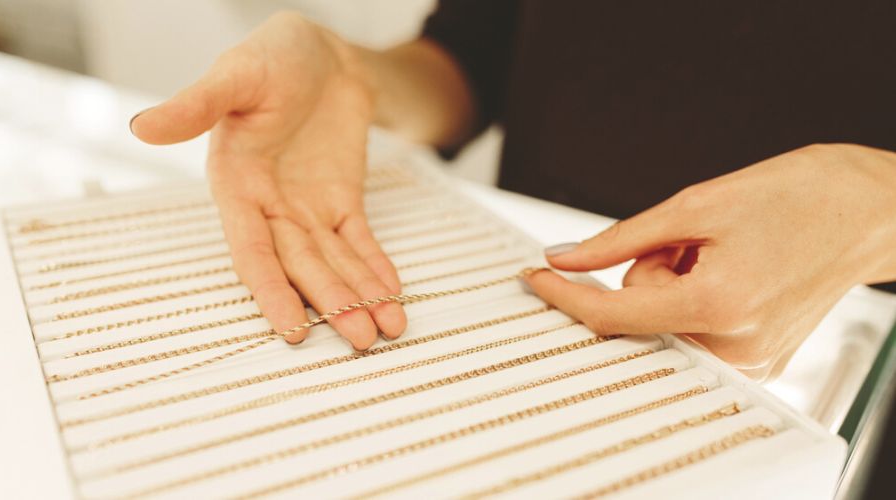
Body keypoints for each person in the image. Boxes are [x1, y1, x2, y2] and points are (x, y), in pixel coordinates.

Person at [129, 2, 896, 380]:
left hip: (844, 356)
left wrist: (872, 208)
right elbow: (473, 58)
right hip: (531, 310)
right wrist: (351, 73)